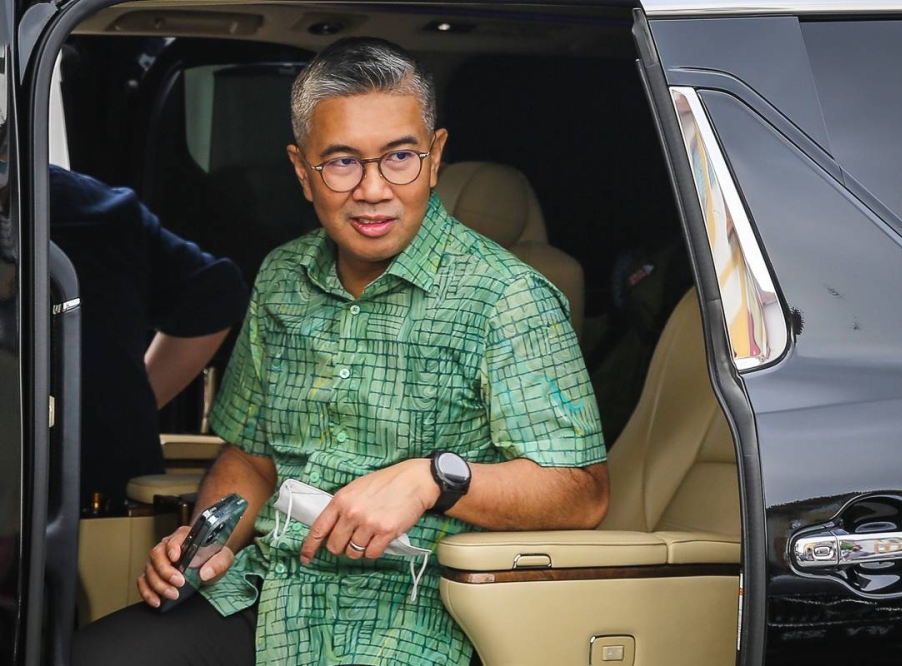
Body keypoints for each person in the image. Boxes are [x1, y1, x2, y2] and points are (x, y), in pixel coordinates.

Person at [72, 37, 609, 665]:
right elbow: (250, 457)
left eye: (400, 157)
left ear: (435, 157)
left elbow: (582, 492)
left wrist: (431, 479)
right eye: (343, 162)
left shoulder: (507, 298)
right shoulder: (281, 278)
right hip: (271, 597)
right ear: (303, 171)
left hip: (417, 618)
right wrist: (204, 539)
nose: (374, 189)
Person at [49, 165, 249, 509]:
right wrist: (121, 407)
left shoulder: (76, 207)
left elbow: (217, 294)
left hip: (79, 489)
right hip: (110, 490)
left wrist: (124, 404)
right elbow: (216, 293)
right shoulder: (89, 204)